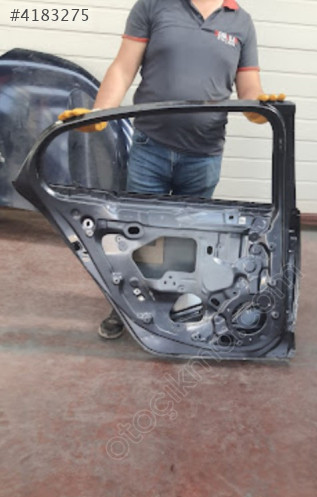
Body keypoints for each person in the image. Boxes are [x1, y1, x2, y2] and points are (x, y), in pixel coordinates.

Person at [59, 0, 283, 339]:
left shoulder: (241, 22)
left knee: (191, 236)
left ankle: (176, 307)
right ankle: (127, 307)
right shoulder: (153, 6)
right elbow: (123, 67)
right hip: (151, 146)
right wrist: (100, 113)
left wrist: (257, 107)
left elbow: (249, 86)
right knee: (138, 232)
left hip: (204, 154)